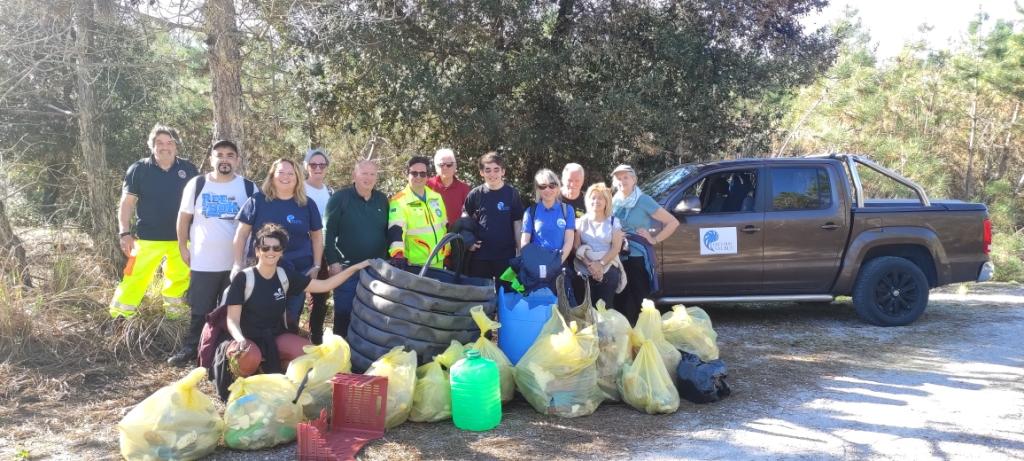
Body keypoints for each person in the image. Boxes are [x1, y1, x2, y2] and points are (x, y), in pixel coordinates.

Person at [214, 223, 369, 399]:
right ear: (257, 250)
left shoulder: (284, 275)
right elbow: (232, 320)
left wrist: (355, 268)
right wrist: (240, 339)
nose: (270, 251)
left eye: (276, 247)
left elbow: (326, 285)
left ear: (281, 252)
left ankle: (276, 378)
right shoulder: (244, 278)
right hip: (244, 337)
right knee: (248, 357)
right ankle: (242, 390)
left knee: (310, 354)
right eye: (265, 247)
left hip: (272, 334)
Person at [168, 139, 256, 366]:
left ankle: (225, 353)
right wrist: (182, 246)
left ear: (237, 160)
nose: (224, 159)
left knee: (232, 310)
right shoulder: (197, 184)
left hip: (236, 263)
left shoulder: (248, 187)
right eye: (219, 155)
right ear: (211, 159)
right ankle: (191, 349)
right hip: (203, 261)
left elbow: (256, 223)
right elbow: (183, 218)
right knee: (200, 310)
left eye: (229, 155)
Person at [109, 124, 198, 321]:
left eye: (169, 142)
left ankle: (175, 317)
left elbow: (198, 204)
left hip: (182, 239)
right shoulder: (138, 169)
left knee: (179, 279)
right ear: (152, 145)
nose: (164, 147)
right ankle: (120, 316)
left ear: (176, 146)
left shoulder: (189, 169)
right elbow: (127, 202)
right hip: (147, 238)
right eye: (159, 143)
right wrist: (124, 233)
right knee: (134, 276)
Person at [233, 158, 323, 329]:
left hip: (297, 272)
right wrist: (237, 263)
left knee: (290, 320)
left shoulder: (306, 204)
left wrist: (317, 265)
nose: (286, 177)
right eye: (281, 172)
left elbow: (317, 237)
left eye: (291, 173)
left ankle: (287, 353)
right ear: (272, 175)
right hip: (262, 273)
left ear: (297, 178)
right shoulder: (257, 200)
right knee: (259, 318)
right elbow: (241, 233)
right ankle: (261, 352)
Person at [319, 159, 389, 343]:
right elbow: (328, 232)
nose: (368, 178)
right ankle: (340, 358)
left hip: (375, 270)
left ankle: (363, 357)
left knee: (372, 315)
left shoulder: (382, 200)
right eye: (364, 173)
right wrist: (332, 262)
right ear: (354, 176)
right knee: (344, 314)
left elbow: (387, 231)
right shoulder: (340, 199)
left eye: (372, 174)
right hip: (346, 270)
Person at [611, 164, 680, 324]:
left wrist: (654, 239)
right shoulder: (614, 200)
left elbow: (672, 222)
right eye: (618, 178)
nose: (622, 181)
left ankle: (643, 338)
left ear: (634, 179)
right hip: (617, 255)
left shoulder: (643, 200)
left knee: (639, 300)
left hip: (636, 257)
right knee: (621, 299)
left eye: (626, 177)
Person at [461, 152, 524, 287]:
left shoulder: (512, 194)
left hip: (506, 256)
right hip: (480, 256)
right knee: (479, 295)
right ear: (481, 173)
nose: (492, 174)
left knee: (508, 294)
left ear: (503, 172)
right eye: (487, 170)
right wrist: (468, 241)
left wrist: (520, 251)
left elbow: (517, 223)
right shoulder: (475, 194)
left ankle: (503, 309)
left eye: (496, 170)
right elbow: (464, 221)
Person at [520, 168, 576, 295]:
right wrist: (533, 264)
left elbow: (569, 240)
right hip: (536, 267)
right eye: (543, 186)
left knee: (564, 308)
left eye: (552, 185)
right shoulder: (531, 211)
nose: (547, 190)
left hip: (559, 264)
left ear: (558, 187)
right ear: (538, 189)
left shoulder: (567, 210)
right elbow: (524, 242)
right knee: (537, 308)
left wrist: (556, 263)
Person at [388, 156, 449, 269]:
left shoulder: (436, 197)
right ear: (407, 175)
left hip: (439, 261)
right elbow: (395, 231)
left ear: (427, 176)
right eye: (414, 173)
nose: (418, 177)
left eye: (422, 174)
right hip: (415, 265)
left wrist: (447, 249)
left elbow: (444, 226)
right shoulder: (399, 201)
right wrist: (398, 255)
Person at [573, 183, 626, 308]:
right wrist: (590, 265)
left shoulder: (614, 222)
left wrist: (600, 264)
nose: (596, 201)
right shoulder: (581, 222)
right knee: (586, 309)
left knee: (605, 308)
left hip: (608, 267)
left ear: (607, 201)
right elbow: (576, 246)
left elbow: (616, 248)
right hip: (584, 268)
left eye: (600, 198)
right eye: (593, 197)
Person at [303, 148, 335, 344]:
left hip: (324, 250)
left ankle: (315, 337)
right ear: (306, 166)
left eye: (321, 165)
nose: (317, 168)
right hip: (303, 248)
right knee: (296, 296)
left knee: (320, 297)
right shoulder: (299, 189)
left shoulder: (330, 192)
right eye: (313, 164)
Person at [426, 148, 470, 230]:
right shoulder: (427, 186)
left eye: (449, 165)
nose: (445, 168)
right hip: (433, 235)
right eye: (441, 165)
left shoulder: (464, 188)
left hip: (457, 235)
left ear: (455, 166)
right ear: (436, 167)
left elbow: (470, 215)